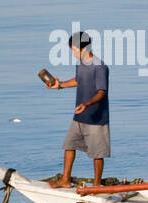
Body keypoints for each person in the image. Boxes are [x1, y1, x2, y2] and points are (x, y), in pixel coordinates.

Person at [46, 32, 110, 188]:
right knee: (69, 145)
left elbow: (102, 92)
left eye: (73, 49)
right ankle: (65, 180)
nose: (72, 52)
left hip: (96, 117)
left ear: (81, 48)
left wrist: (87, 104)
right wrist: (60, 85)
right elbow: (77, 81)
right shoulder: (80, 63)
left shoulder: (99, 66)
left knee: (97, 154)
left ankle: (96, 185)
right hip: (79, 116)